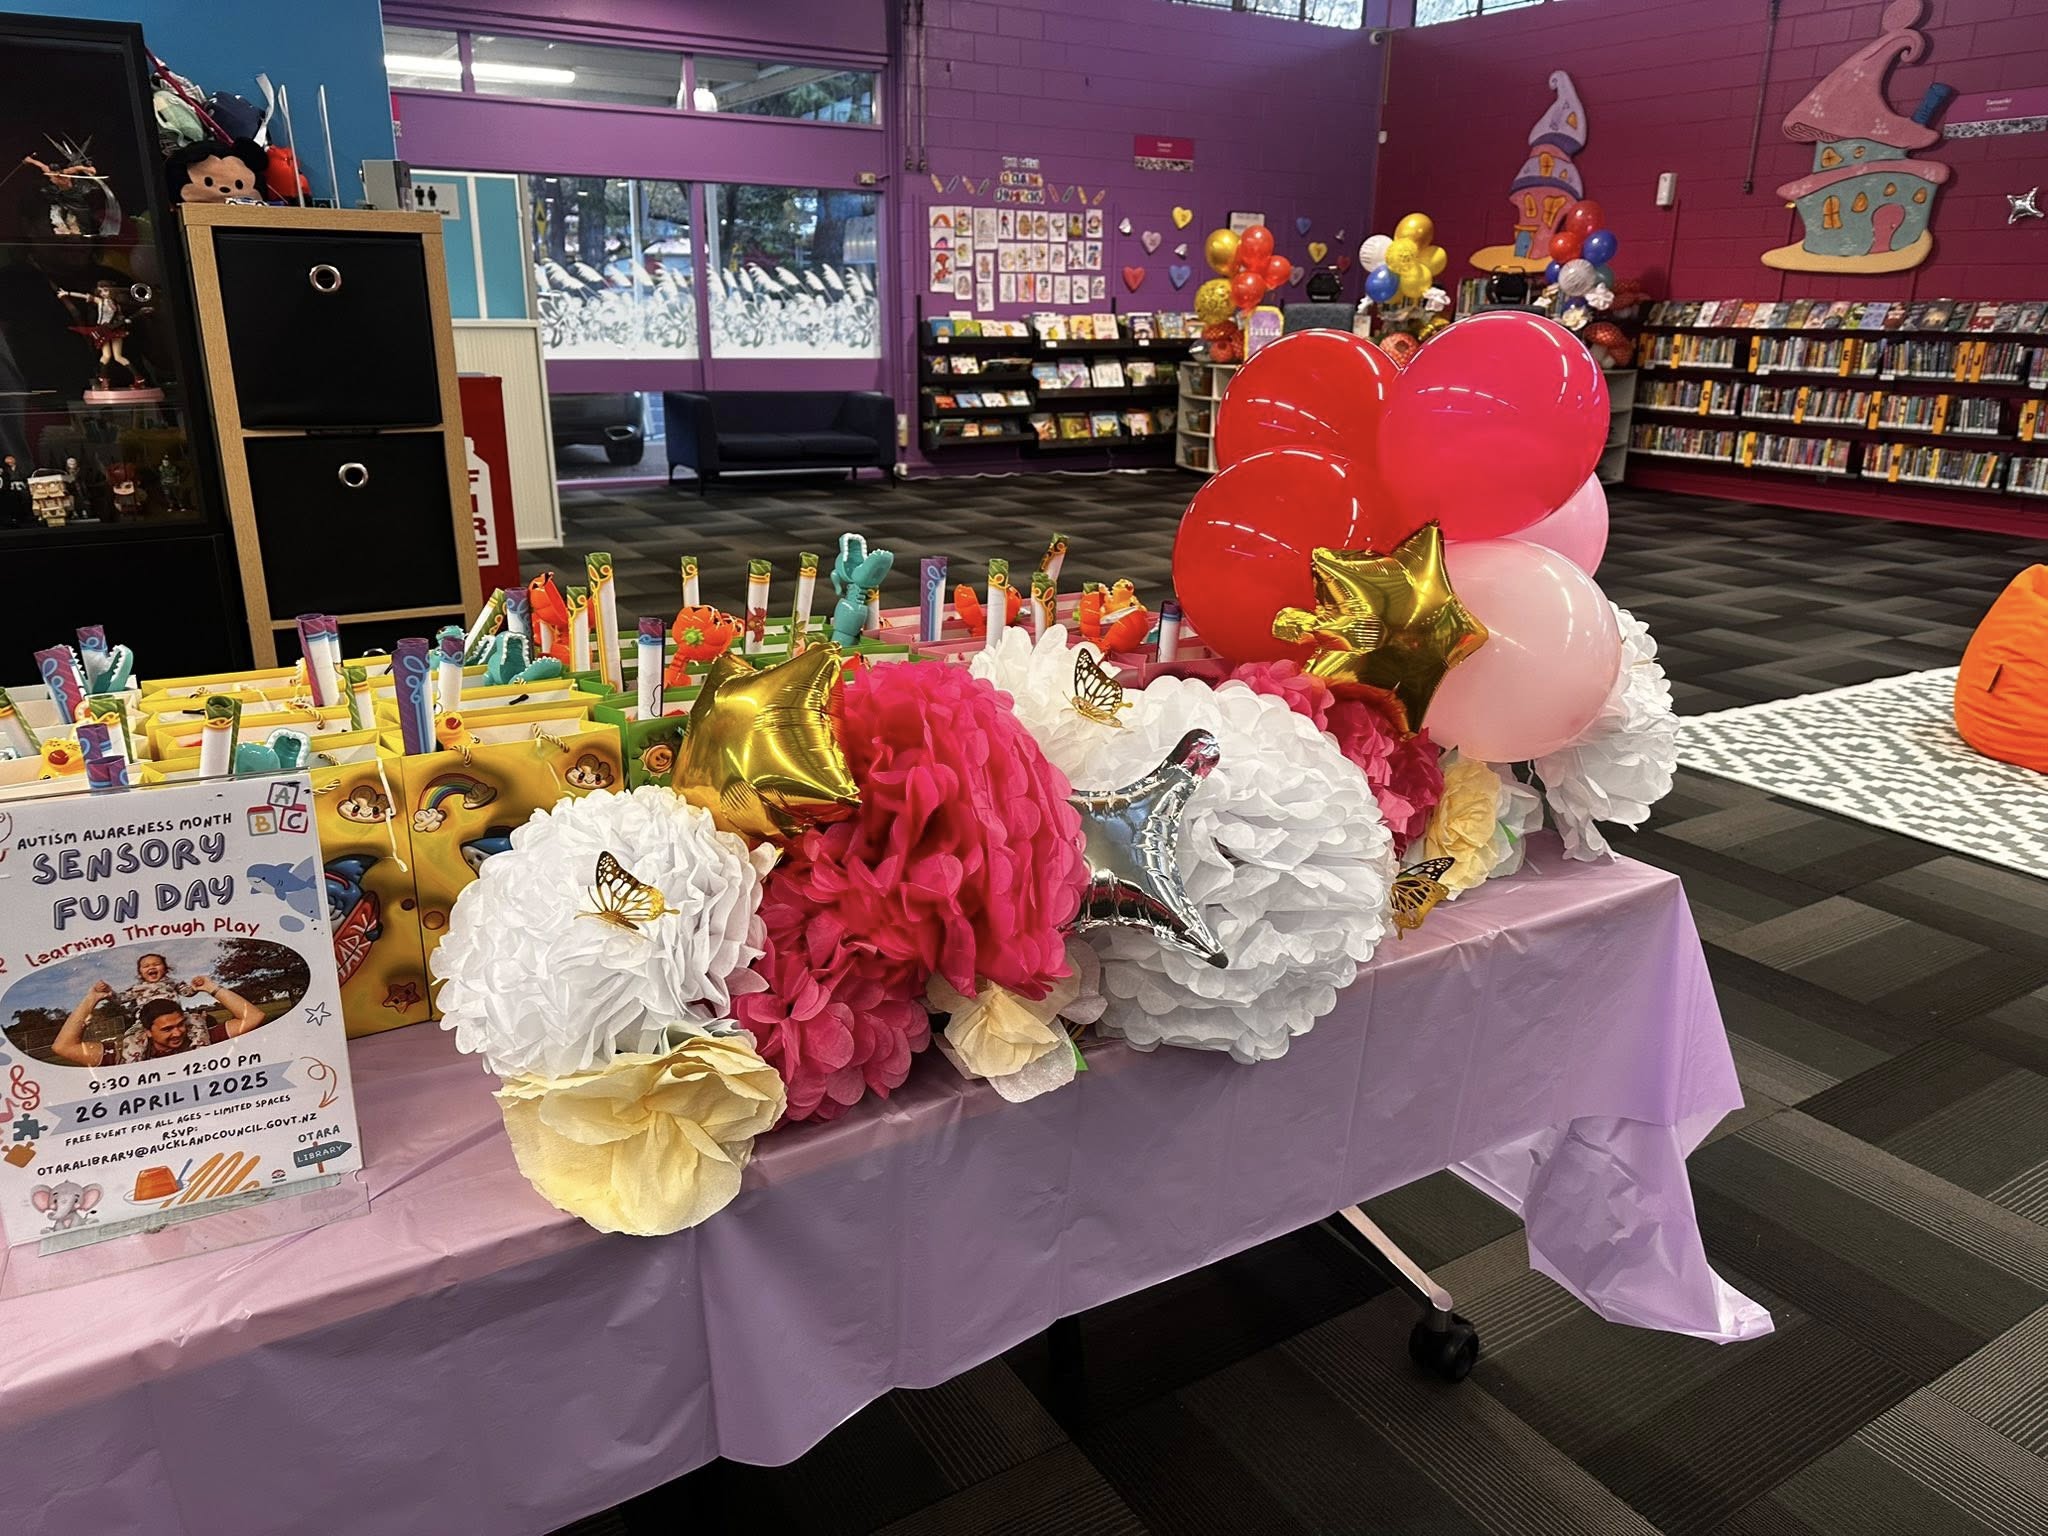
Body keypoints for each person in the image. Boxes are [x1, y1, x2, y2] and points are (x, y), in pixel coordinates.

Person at [50, 977, 265, 1067]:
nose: (178, 1033)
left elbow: (253, 1017)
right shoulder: (123, 1051)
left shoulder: (201, 1036)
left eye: (180, 1024)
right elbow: (64, 1046)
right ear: (148, 1032)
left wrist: (211, 988)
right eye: (167, 1029)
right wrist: (91, 999)